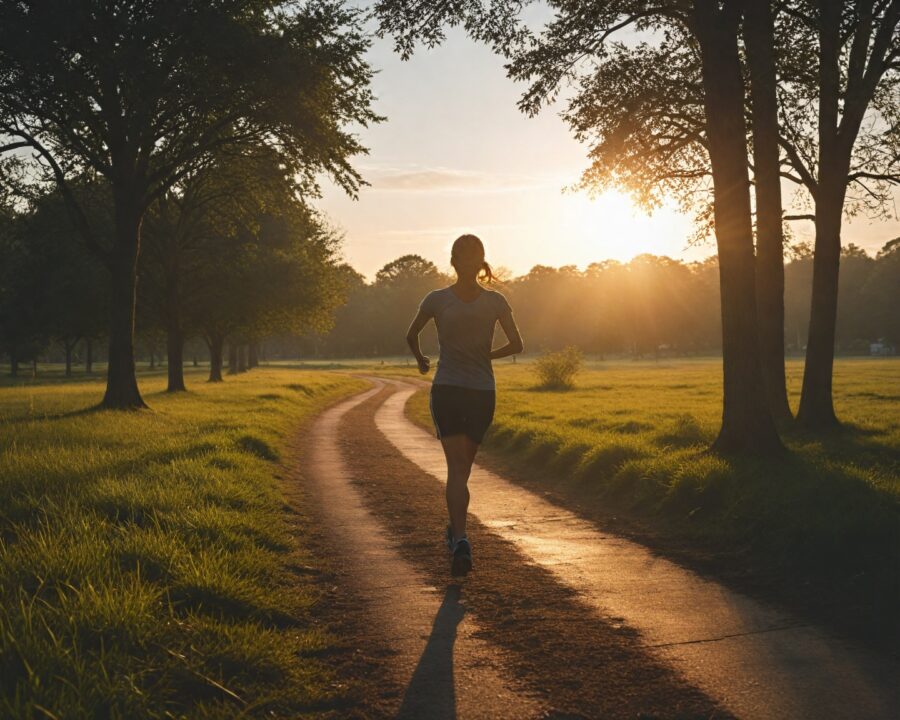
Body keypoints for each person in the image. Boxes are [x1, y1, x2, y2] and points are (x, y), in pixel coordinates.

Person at [406, 234, 524, 576]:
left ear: (454, 262)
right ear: (480, 261)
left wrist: (421, 360)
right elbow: (517, 344)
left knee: (456, 469)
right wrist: (487, 354)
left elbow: (411, 334)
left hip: (448, 390)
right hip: (480, 392)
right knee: (462, 470)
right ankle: (459, 537)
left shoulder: (437, 299)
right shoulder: (495, 302)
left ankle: (459, 536)